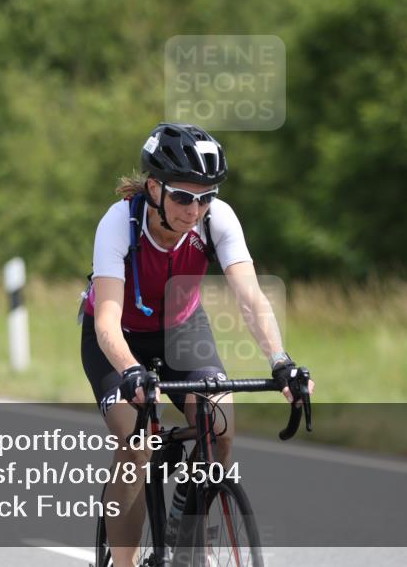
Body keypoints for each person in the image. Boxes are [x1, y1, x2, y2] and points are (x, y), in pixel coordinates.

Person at [79, 122, 314, 566]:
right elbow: (107, 320)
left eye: (206, 196)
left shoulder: (217, 219)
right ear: (154, 188)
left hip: (183, 329)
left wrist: (280, 361)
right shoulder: (118, 224)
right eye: (183, 197)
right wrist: (132, 373)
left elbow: (249, 297)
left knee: (220, 421)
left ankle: (190, 533)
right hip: (117, 339)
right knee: (137, 439)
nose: (195, 209)